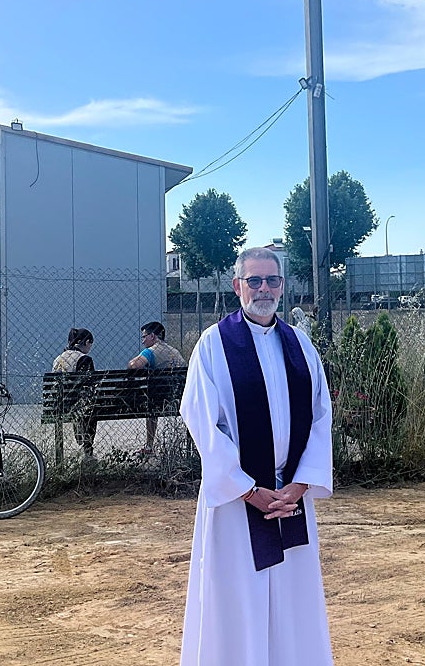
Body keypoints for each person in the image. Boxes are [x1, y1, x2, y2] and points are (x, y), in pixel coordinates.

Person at [179, 247, 334, 665]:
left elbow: (322, 418)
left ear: (283, 286)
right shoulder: (213, 346)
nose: (264, 289)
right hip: (237, 502)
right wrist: (248, 490)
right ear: (237, 286)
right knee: (236, 598)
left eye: (272, 280)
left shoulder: (300, 345)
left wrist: (299, 485)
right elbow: (201, 422)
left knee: (292, 597)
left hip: (289, 500)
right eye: (255, 281)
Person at [127, 320, 186, 454]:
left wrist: (132, 361)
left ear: (152, 336)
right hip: (179, 398)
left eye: (144, 337)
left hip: (157, 401)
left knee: (151, 404)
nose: (143, 341)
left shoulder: (151, 352)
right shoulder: (175, 352)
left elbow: (134, 366)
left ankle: (149, 446)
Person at [51, 328, 97, 458]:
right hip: (80, 405)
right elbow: (89, 387)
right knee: (92, 407)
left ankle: (78, 429)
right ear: (87, 342)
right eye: (90, 344)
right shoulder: (84, 359)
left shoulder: (57, 359)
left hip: (59, 405)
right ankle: (88, 450)